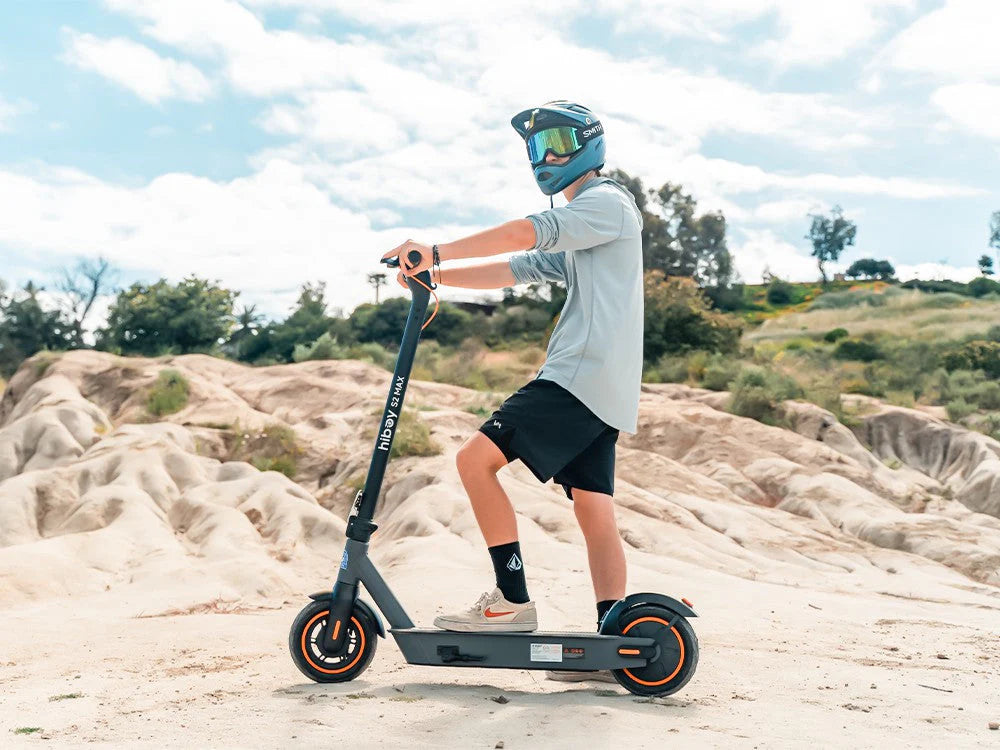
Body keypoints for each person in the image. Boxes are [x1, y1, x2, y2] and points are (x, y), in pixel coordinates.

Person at [381, 101, 644, 681]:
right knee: (594, 510)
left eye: (557, 142)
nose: (545, 156)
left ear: (590, 144)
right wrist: (435, 276)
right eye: (535, 147)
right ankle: (613, 642)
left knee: (474, 460)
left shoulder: (605, 203)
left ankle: (511, 600)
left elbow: (529, 230)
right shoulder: (589, 227)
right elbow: (516, 268)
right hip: (606, 389)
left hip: (577, 377)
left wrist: (438, 249)